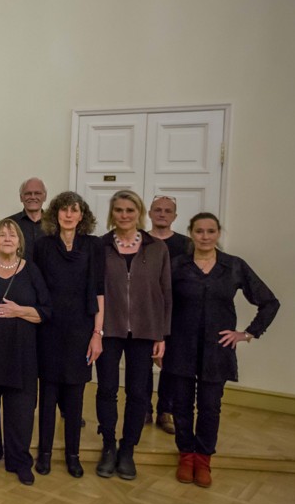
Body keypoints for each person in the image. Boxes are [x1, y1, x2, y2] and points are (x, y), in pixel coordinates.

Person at [166, 213, 279, 488]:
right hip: (180, 345)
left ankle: (203, 459)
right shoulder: (177, 265)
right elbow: (160, 303)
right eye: (199, 231)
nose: (205, 236)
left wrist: (247, 333)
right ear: (191, 233)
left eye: (210, 231)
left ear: (218, 233)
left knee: (210, 407)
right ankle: (186, 455)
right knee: (181, 405)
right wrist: (159, 339)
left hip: (216, 349)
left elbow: (269, 302)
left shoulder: (234, 266)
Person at [95, 190, 170, 480]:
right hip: (109, 329)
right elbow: (93, 290)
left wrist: (162, 334)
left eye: (130, 210)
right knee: (107, 389)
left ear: (139, 213)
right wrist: (95, 331)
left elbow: (166, 294)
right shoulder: (100, 246)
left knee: (138, 393)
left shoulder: (157, 248)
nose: (124, 215)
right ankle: (108, 445)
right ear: (112, 214)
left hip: (145, 331)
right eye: (119, 210)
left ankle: (128, 449)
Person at [32, 192, 104, 479]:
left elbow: (99, 291)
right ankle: (44, 454)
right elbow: (35, 288)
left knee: (75, 397)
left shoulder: (93, 245)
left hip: (81, 330)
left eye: (74, 210)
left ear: (82, 215)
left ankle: (73, 455)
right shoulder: (43, 245)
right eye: (64, 209)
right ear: (55, 214)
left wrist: (97, 333)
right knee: (48, 395)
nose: (69, 215)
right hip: (49, 328)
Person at [0, 219, 50, 485]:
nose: (7, 238)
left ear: (20, 242)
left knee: (21, 409)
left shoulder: (31, 270)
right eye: (2, 234)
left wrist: (18, 311)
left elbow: (46, 311)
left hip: (22, 352)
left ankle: (19, 460)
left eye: (12, 235)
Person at [146, 194, 191, 433]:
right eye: (157, 210)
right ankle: (143, 408)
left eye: (167, 210)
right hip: (145, 311)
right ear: (149, 214)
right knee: (142, 363)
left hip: (178, 313)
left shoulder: (186, 245)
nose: (162, 214)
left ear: (175, 216)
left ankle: (166, 410)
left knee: (171, 364)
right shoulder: (140, 240)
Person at [7, 177, 47, 261]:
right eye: (28, 193)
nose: (33, 197)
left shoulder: (55, 223)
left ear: (45, 197)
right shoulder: (8, 224)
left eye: (37, 193)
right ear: (21, 197)